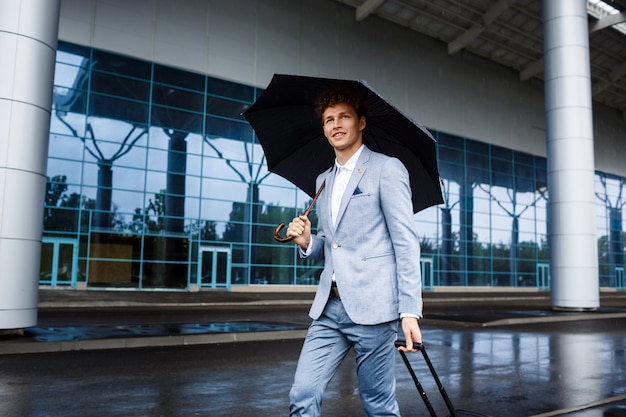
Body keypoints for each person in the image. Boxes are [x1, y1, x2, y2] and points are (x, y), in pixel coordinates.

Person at [286, 85, 423, 417]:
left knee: (377, 405)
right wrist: (306, 243)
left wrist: (409, 311)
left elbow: (405, 243)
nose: (336, 124)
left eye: (344, 116)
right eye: (329, 119)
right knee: (302, 393)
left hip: (375, 311)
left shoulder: (386, 169)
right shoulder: (323, 180)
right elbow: (331, 246)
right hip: (329, 308)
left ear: (361, 122)